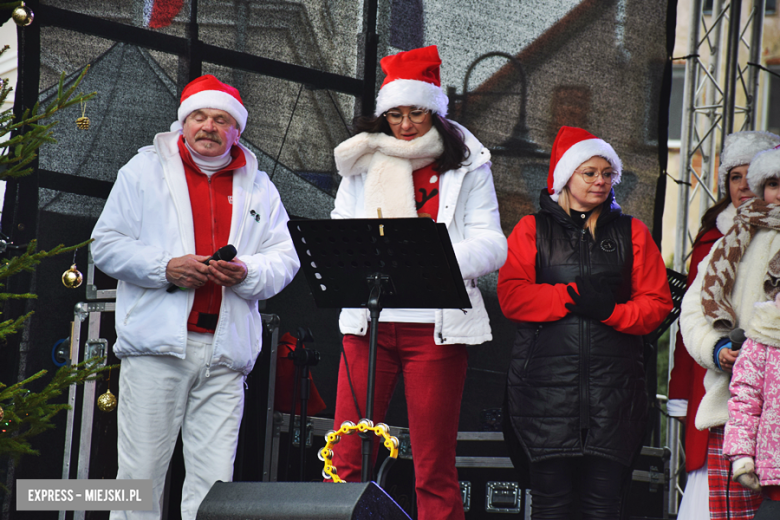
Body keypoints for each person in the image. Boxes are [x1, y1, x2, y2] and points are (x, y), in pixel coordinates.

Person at [91, 75, 300, 520]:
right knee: (138, 479)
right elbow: (105, 245)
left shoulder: (261, 186)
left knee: (213, 486)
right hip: (157, 348)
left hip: (225, 357)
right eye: (200, 117)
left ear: (236, 131)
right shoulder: (143, 169)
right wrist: (166, 267)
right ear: (182, 123)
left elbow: (285, 259)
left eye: (221, 119)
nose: (209, 126)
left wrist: (246, 272)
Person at [328, 45, 507, 520]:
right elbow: (341, 226)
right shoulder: (363, 162)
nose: (405, 125)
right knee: (345, 457)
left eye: (417, 113)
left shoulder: (469, 164)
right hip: (369, 323)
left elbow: (493, 244)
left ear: (435, 110)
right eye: (396, 114)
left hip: (436, 327)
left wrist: (430, 259)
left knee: (433, 466)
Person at [497, 126, 673, 519]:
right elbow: (511, 296)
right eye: (589, 172)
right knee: (551, 506)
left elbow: (657, 305)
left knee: (603, 506)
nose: (600, 181)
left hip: (614, 399)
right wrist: (570, 297)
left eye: (607, 173)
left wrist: (610, 311)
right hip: (544, 396)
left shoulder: (633, 232)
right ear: (566, 176)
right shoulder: (531, 229)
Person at [668, 131, 779, 519]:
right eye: (771, 184)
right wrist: (717, 349)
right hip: (735, 410)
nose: (775, 193)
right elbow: (694, 312)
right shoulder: (726, 243)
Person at [723, 150, 780, 518]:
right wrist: (742, 456)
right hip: (774, 477)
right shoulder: (767, 328)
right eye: (774, 184)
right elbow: (746, 396)